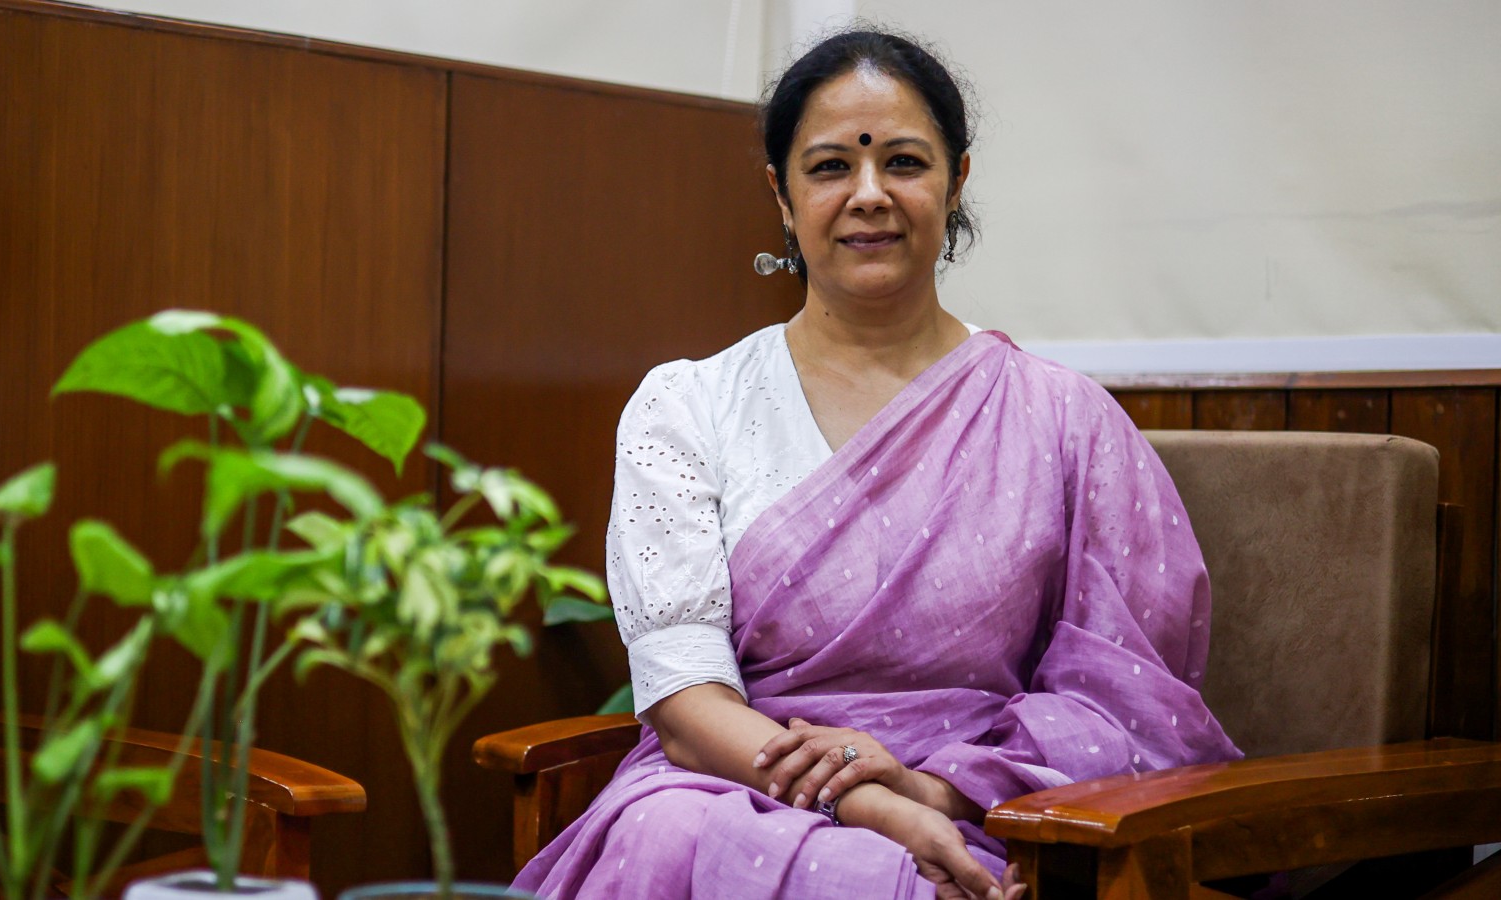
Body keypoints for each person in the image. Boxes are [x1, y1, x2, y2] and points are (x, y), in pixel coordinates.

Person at [514, 28, 1241, 900]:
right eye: (829, 168)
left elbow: (1122, 697)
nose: (869, 195)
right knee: (675, 832)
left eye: (903, 161)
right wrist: (871, 804)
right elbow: (684, 700)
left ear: (956, 181)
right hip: (732, 787)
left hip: (989, 800)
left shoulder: (1063, 418)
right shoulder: (688, 407)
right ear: (781, 195)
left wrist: (931, 789)